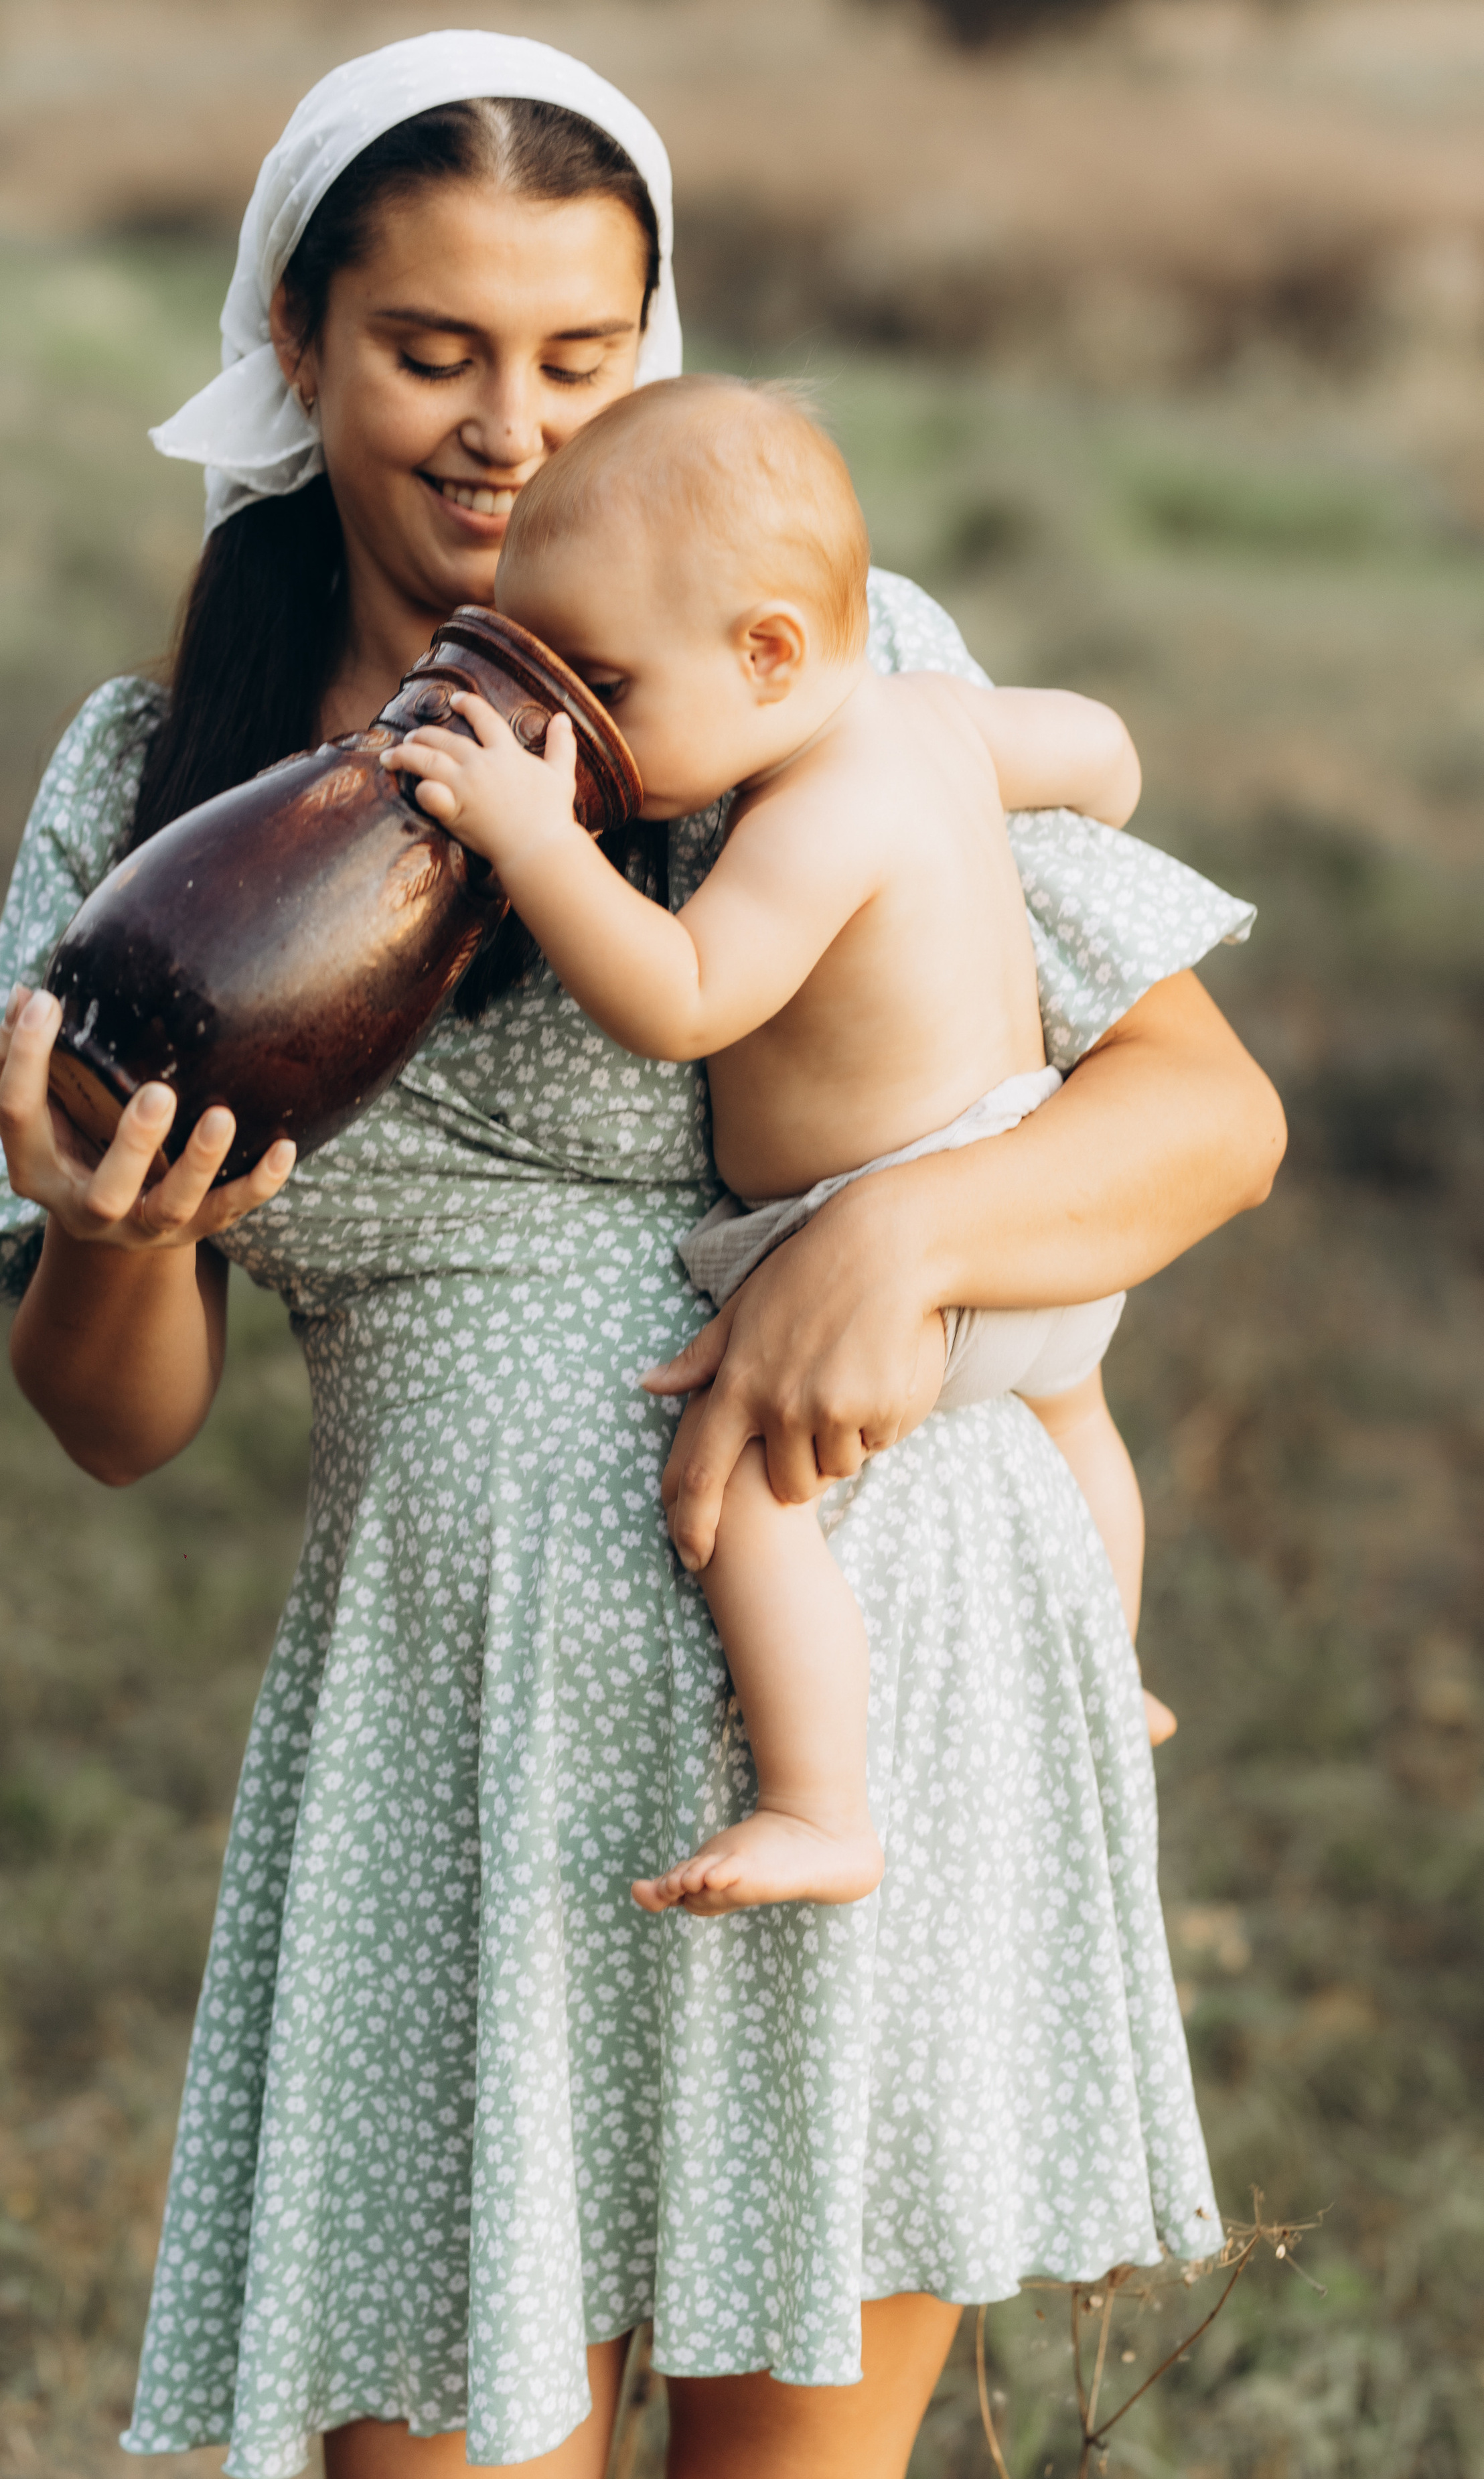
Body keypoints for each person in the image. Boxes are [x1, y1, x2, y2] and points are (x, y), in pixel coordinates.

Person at [0, 34, 1284, 2479]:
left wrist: (900, 1238)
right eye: (433, 352)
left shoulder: (805, 671)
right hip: (459, 1728)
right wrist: (119, 1244)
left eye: (582, 359)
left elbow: (1214, 1122)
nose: (506, 436)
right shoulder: (161, 789)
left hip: (874, 1673)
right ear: (299, 343)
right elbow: (114, 1428)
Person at [384, 374, 1176, 1918]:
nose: (580, 730)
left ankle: (821, 1803)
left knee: (742, 1485)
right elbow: (1101, 744)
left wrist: (534, 837)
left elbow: (681, 999)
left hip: (888, 1238)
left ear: (765, 655)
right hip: (1029, 1217)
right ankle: (1114, 1667)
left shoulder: (810, 815)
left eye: (606, 685)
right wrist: (1095, 788)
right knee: (1071, 1421)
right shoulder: (934, 721)